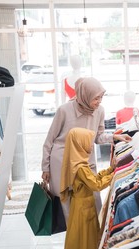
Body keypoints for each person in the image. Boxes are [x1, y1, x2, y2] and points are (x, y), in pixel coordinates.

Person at [41, 77, 131, 224]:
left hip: (86, 160)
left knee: (93, 197)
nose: (99, 101)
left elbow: (98, 137)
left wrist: (115, 137)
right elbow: (49, 140)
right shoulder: (64, 110)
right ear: (85, 95)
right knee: (66, 202)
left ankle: (93, 234)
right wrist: (45, 167)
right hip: (61, 161)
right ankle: (74, 237)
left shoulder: (99, 111)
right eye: (96, 98)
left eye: (101, 97)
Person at [60, 127, 115, 249]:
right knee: (84, 239)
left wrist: (110, 169)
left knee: (81, 239)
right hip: (83, 209)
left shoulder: (77, 163)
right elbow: (96, 185)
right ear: (80, 144)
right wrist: (113, 175)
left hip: (81, 206)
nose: (91, 145)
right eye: (88, 142)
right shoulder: (81, 168)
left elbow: (94, 178)